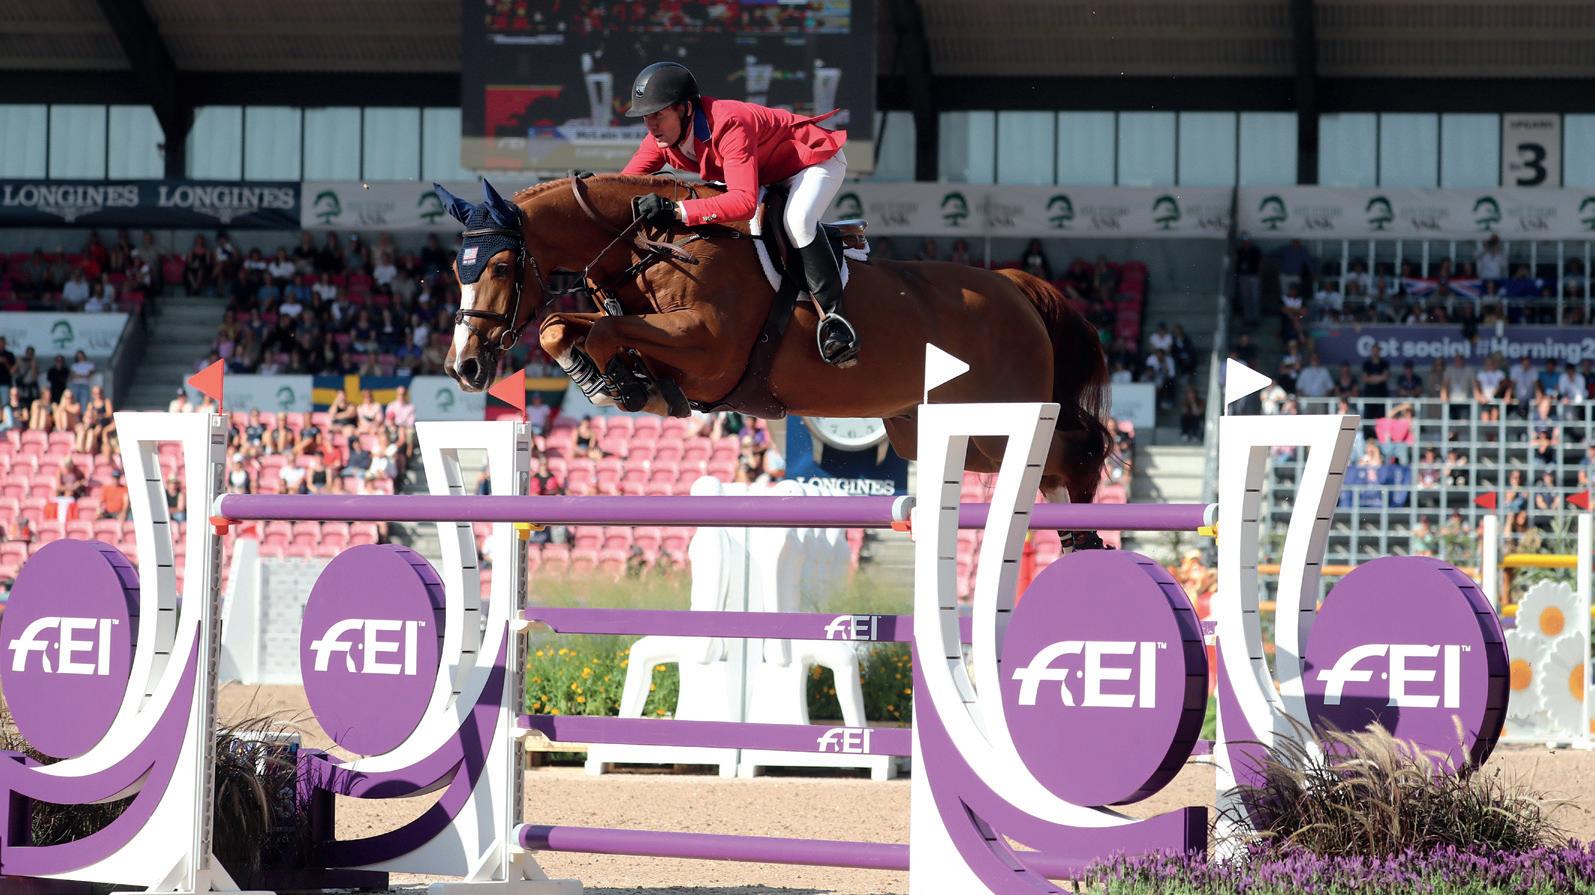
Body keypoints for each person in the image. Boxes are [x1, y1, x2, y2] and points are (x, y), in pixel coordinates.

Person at [619, 61, 857, 366]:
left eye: (658, 115)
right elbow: (624, 185)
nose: (651, 125)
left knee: (797, 221)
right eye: (646, 117)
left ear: (685, 109)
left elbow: (743, 202)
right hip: (767, 172)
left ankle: (835, 322)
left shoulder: (728, 123)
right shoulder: (662, 138)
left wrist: (676, 210)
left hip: (810, 162)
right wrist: (588, 188)